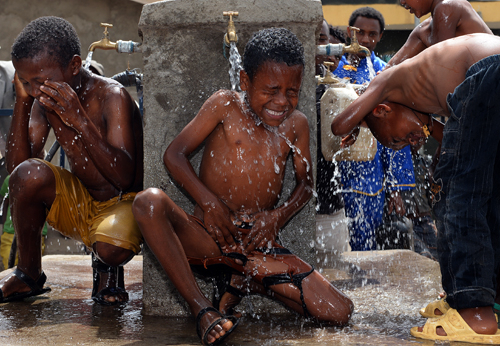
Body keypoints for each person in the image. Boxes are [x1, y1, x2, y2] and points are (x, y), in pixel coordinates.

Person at [132, 27, 354, 346]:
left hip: (255, 245)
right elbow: (174, 155)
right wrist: (208, 203)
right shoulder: (224, 105)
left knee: (339, 311)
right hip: (208, 236)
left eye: (292, 91)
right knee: (148, 203)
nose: (282, 101)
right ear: (246, 81)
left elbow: (306, 185)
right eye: (272, 89)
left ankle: (247, 279)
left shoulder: (298, 125)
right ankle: (203, 309)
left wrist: (277, 217)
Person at [331, 33, 500, 343]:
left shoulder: (385, 81)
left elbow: (337, 124)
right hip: (491, 72)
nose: (408, 143)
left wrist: (356, 124)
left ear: (381, 110)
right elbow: (442, 136)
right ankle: (490, 301)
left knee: (458, 199)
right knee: (490, 198)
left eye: (396, 139)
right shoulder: (424, 91)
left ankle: (475, 312)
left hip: (487, 72)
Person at [0, 16, 143, 306]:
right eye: (26, 82)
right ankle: (29, 273)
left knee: (111, 247)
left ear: (74, 66)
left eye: (39, 81)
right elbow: (17, 170)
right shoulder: (42, 100)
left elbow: (123, 177)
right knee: (29, 175)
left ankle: (106, 267)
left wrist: (79, 119)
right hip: (80, 203)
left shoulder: (111, 97)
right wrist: (23, 101)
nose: (36, 90)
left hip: (121, 202)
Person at [333, 7, 415, 251]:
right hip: (337, 171)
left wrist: (396, 189)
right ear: (350, 33)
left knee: (368, 246)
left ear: (381, 36)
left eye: (372, 34)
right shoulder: (334, 70)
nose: (366, 39)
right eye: (360, 33)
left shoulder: (386, 73)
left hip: (373, 175)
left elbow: (396, 132)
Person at [315, 19, 348, 255]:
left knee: (333, 273)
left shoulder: (337, 90)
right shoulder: (284, 88)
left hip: (330, 205)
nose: (322, 47)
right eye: (317, 39)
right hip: (287, 207)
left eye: (324, 40)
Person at [387, 0, 492, 67]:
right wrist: (383, 74)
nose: (402, 2)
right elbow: (391, 67)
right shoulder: (424, 28)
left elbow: (441, 64)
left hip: (492, 74)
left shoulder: (447, 6)